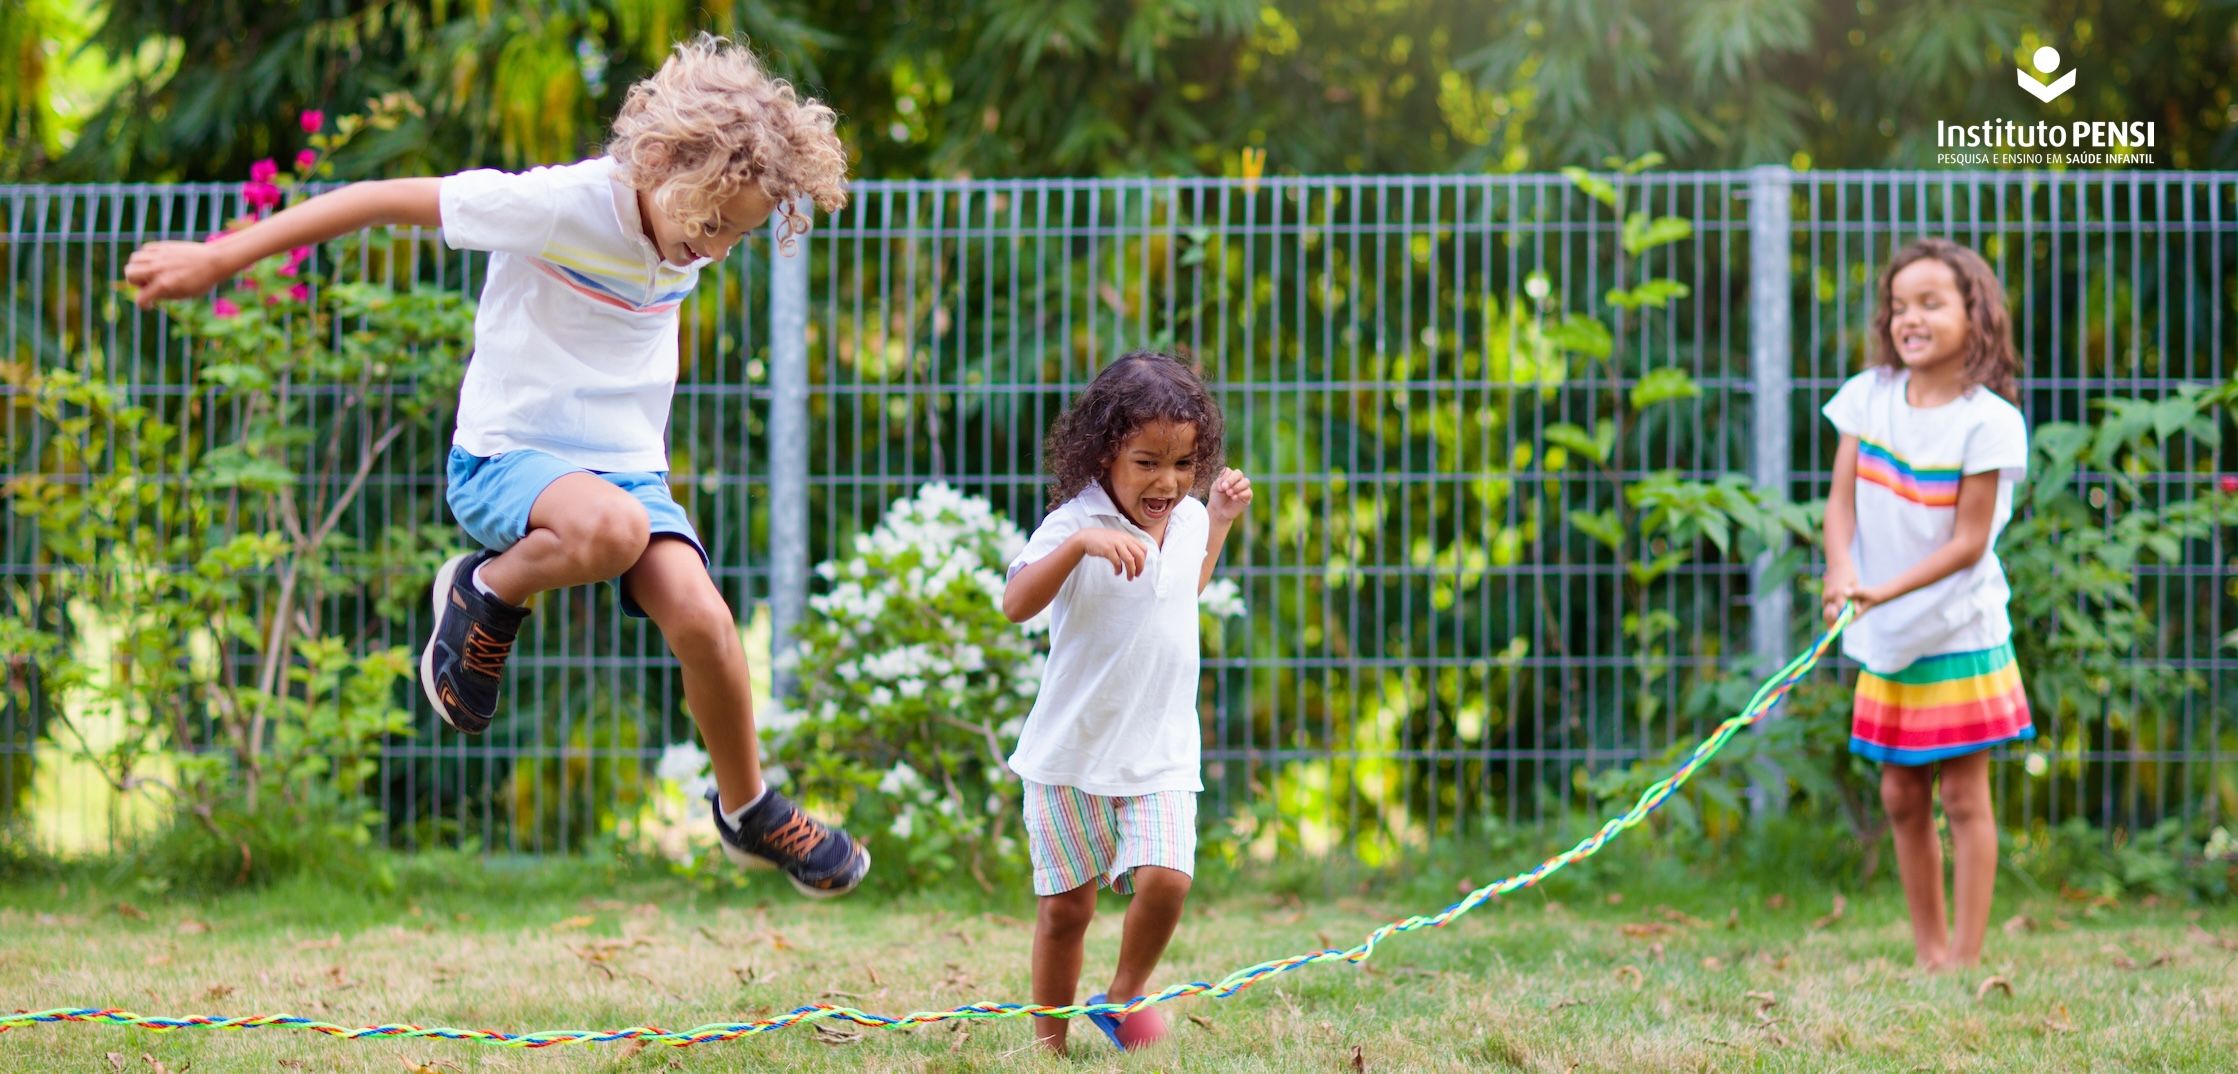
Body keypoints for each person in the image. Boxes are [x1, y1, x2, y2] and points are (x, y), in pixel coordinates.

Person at [123, 34, 869, 898]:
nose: (713, 249)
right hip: (506, 458)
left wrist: (709, 230)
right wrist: (219, 258)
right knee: (615, 529)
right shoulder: (559, 206)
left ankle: (746, 809)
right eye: (708, 226)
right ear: (662, 166)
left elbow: (700, 237)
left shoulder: (689, 222)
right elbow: (373, 199)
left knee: (703, 619)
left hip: (624, 469)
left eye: (736, 236)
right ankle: (484, 590)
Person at [1000, 351, 1252, 1052]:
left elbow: (1180, 590)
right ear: (1105, 452)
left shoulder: (1191, 517)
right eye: (1147, 462)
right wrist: (1080, 545)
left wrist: (1222, 520)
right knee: (1066, 912)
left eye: (1182, 463)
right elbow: (1016, 602)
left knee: (1169, 879)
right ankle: (1046, 1045)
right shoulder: (1074, 521)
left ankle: (1123, 996)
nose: (1167, 481)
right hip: (1069, 754)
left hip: (1159, 748)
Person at [1820, 237, 2033, 970]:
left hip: (1958, 628)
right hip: (1886, 633)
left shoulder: (1991, 422)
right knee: (1901, 795)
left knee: (1964, 797)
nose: (1909, 318)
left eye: (1930, 303)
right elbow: (1839, 504)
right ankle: (1928, 953)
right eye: (1898, 305)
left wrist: (1879, 591)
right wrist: (1841, 571)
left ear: (1975, 317)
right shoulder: (1867, 396)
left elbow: (1969, 543)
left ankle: (1964, 962)